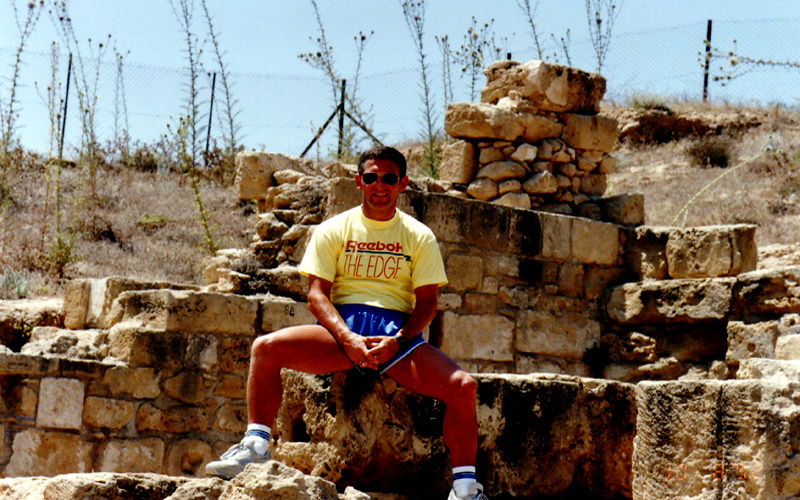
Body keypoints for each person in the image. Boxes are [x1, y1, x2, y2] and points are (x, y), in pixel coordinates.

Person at [206, 145, 489, 500]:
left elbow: (428, 303)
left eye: (389, 178)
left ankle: (464, 490)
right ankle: (255, 447)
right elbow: (316, 296)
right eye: (371, 177)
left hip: (397, 338)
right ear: (359, 181)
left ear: (402, 183)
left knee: (463, 387)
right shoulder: (333, 229)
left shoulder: (418, 236)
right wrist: (348, 337)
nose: (379, 185)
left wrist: (398, 341)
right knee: (265, 348)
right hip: (342, 331)